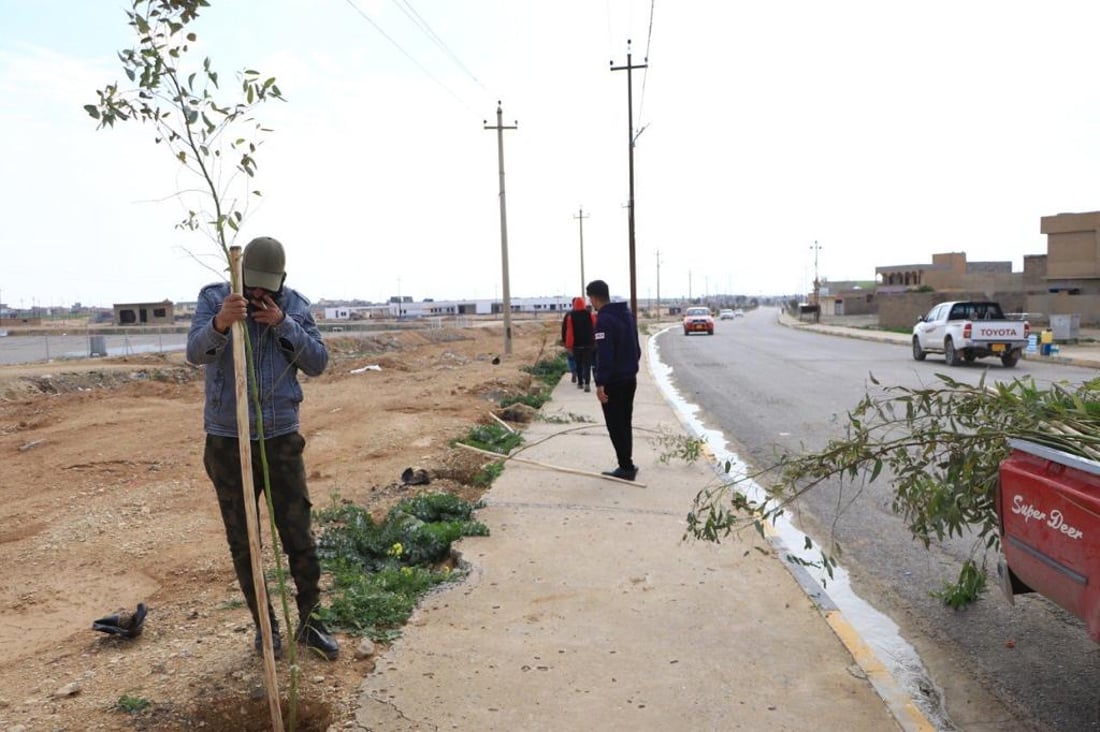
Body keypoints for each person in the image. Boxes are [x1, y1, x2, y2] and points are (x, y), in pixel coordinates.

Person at [186, 236, 339, 661]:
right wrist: (219, 324)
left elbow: (319, 363)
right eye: (252, 285)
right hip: (227, 438)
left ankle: (310, 622)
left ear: (281, 282)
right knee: (244, 540)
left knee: (298, 533)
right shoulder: (214, 298)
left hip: (279, 437)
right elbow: (194, 353)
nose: (257, 295)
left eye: (266, 289)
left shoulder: (296, 305)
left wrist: (283, 324)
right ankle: (265, 628)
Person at [586, 279, 641, 481]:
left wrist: (601, 383)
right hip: (629, 378)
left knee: (615, 424)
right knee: (625, 422)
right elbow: (637, 349)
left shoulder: (604, 320)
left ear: (593, 297)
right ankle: (628, 463)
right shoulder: (627, 315)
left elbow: (605, 355)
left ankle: (625, 466)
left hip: (614, 382)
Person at [564, 296, 597, 392]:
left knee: (578, 364)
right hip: (588, 344)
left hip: (577, 345)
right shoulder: (590, 315)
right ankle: (587, 383)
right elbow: (594, 328)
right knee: (587, 364)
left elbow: (570, 332)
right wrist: (594, 341)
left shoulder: (571, 316)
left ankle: (580, 383)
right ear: (583, 304)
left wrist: (569, 345)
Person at [560, 311, 578, 383]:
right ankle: (581, 374)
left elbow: (564, 328)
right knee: (581, 358)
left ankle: (573, 372)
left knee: (571, 358)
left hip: (569, 340)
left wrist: (564, 340)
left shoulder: (568, 314)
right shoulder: (584, 314)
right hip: (580, 341)